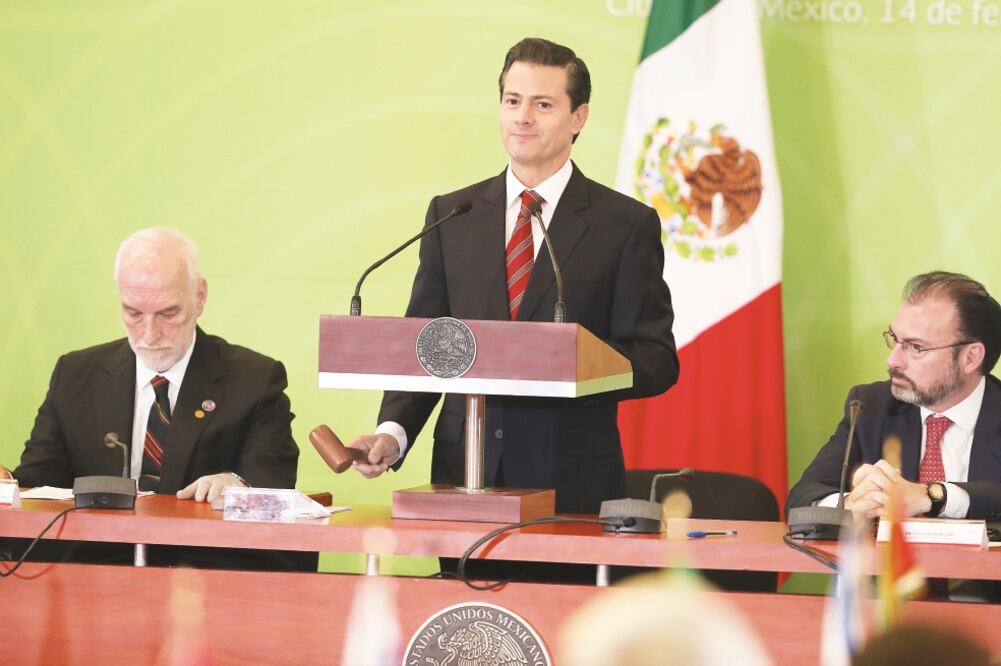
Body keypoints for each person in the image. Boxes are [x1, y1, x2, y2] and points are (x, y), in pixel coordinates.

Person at [349, 37, 679, 515]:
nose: (522, 116)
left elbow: (656, 358)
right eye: (512, 101)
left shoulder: (624, 225)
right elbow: (430, 341)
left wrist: (578, 363)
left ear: (578, 118)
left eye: (543, 104)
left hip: (572, 482)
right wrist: (392, 433)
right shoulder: (452, 215)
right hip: (464, 479)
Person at [1, 228, 308, 569]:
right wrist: (8, 485)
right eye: (133, 314)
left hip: (204, 577)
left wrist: (237, 485)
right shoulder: (75, 374)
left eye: (167, 314)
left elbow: (274, 485)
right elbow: (38, 486)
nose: (149, 334)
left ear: (200, 296)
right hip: (93, 577)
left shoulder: (254, 379)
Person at [787, 271, 1001, 522]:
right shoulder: (871, 406)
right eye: (894, 340)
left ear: (971, 357)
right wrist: (849, 504)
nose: (893, 360)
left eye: (916, 347)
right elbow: (802, 497)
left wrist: (932, 496)